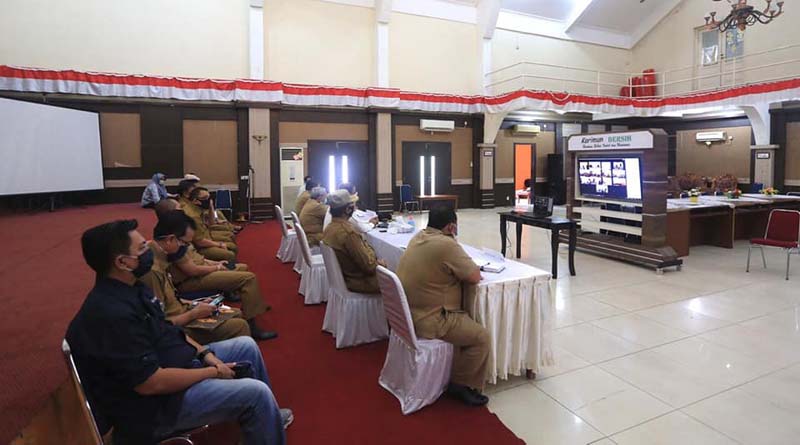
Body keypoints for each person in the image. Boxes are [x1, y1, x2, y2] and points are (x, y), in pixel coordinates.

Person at [65, 219, 291, 445]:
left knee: (246, 346)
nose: (149, 251)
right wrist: (211, 372)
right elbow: (150, 383)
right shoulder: (111, 315)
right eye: (142, 248)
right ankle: (262, 414)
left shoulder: (133, 288)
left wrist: (204, 354)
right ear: (123, 262)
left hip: (177, 365)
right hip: (157, 407)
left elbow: (168, 330)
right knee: (256, 394)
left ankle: (263, 422)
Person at [396, 207, 490, 407]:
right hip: (431, 318)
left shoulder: (419, 236)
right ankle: (461, 384)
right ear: (451, 227)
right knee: (481, 337)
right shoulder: (446, 245)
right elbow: (474, 276)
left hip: (409, 313)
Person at [162, 211, 277, 341]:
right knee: (248, 278)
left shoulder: (181, 238)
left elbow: (199, 258)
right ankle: (252, 325)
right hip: (191, 280)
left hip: (202, 269)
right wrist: (215, 268)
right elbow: (193, 270)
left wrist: (217, 263)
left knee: (242, 267)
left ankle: (252, 305)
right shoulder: (175, 247)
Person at [141, 220, 251, 345]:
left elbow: (172, 299)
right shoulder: (152, 272)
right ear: (170, 240)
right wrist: (193, 314)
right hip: (177, 327)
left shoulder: (162, 257)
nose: (185, 248)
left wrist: (196, 303)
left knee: (237, 313)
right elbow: (160, 323)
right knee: (240, 325)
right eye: (185, 243)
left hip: (183, 310)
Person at [322, 190, 384, 294]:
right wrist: (380, 264)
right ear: (347, 209)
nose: (355, 208)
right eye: (353, 205)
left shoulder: (330, 228)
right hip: (359, 281)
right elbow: (369, 267)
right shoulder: (348, 234)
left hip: (346, 277)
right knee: (401, 280)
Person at [180, 185, 237, 262]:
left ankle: (231, 266)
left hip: (207, 237)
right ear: (195, 201)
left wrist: (211, 207)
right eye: (205, 198)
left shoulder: (198, 208)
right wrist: (219, 244)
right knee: (229, 253)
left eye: (209, 197)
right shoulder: (193, 215)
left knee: (231, 243)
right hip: (200, 248)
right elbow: (199, 242)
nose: (208, 200)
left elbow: (211, 223)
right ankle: (229, 268)